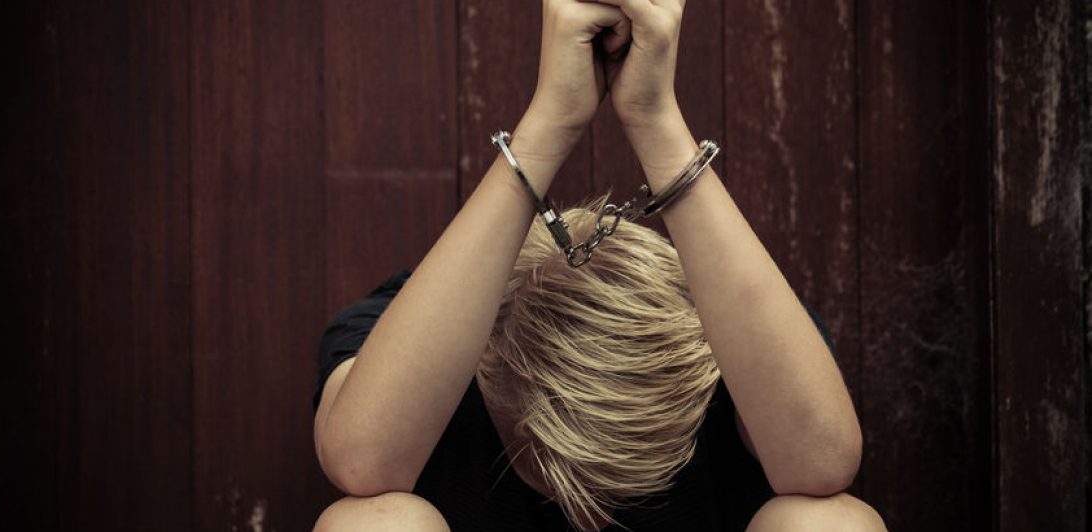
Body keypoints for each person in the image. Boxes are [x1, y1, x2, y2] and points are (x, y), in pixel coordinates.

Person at [312, 0, 887, 530]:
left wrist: (656, 120)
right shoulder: (413, 329)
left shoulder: (741, 342)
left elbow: (823, 464)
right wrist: (546, 129)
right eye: (548, 472)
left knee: (832, 523)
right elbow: (361, 461)